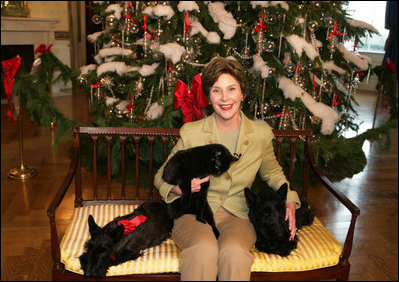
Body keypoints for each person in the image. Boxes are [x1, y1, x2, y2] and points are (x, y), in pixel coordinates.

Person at [154, 57, 301, 281]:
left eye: (231, 89)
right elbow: (160, 177)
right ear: (208, 96)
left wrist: (290, 199)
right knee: (204, 249)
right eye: (216, 90)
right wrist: (180, 190)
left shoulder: (260, 135)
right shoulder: (192, 132)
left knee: (234, 253)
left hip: (238, 215)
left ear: (243, 92)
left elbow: (273, 174)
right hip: (196, 212)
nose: (224, 98)